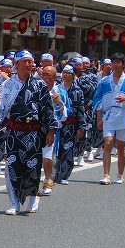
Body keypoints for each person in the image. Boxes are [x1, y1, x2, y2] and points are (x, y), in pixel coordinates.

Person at [0, 50, 55, 215]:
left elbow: (48, 110)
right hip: (13, 131)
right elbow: (2, 111)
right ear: (16, 64)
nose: (28, 65)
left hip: (33, 131)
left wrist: (50, 131)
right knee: (12, 166)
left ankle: (33, 198)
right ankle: (14, 202)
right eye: (24, 62)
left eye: (30, 61)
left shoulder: (39, 84)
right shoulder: (7, 84)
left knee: (32, 167)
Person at [93, 53, 125, 185]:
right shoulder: (104, 81)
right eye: (114, 62)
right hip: (108, 114)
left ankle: (120, 174)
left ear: (123, 64)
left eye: (119, 62)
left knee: (120, 147)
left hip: (123, 115)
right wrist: (98, 118)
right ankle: (106, 175)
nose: (116, 64)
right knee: (107, 143)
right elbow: (97, 98)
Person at [39, 65, 69, 196]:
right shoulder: (37, 89)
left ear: (55, 77)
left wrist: (60, 103)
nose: (45, 78)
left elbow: (65, 115)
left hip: (51, 130)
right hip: (35, 128)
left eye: (48, 75)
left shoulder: (61, 92)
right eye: (43, 75)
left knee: (46, 159)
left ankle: (47, 179)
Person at [55, 64, 85, 185]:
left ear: (73, 75)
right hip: (57, 123)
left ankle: (63, 175)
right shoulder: (56, 89)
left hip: (71, 125)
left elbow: (81, 110)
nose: (65, 74)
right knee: (56, 150)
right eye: (64, 72)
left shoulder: (78, 91)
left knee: (67, 150)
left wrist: (81, 126)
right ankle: (54, 174)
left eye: (68, 72)